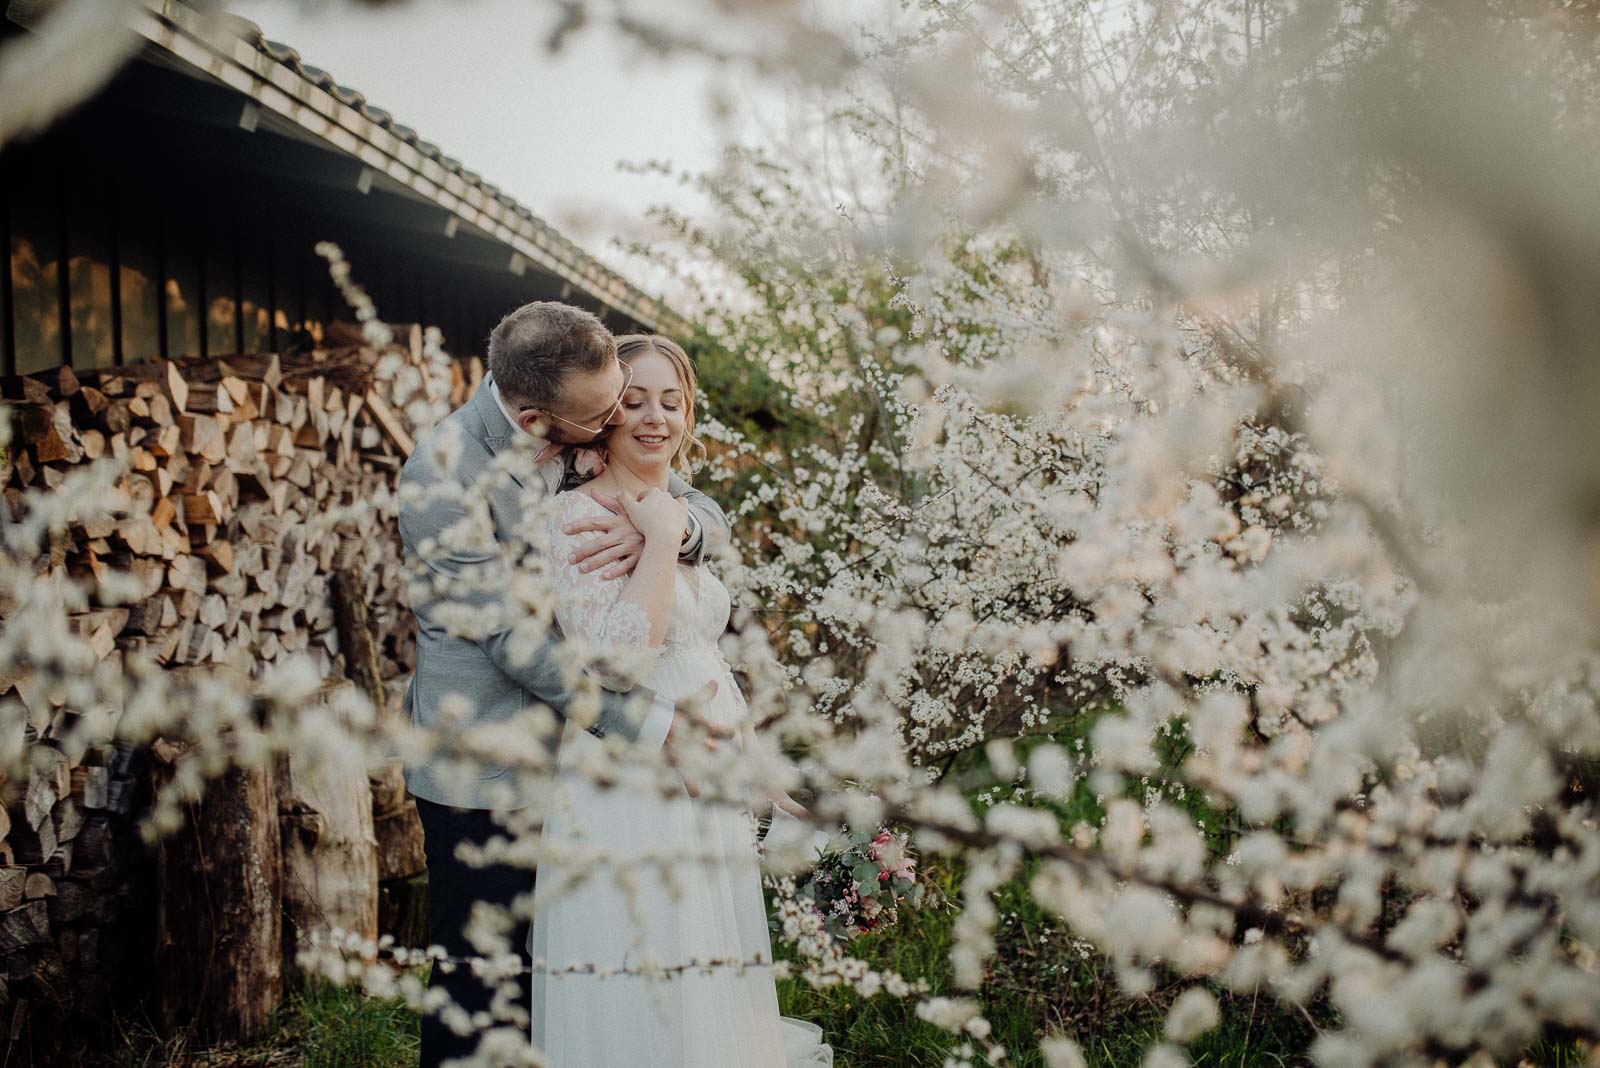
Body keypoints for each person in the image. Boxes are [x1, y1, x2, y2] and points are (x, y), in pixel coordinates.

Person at [397, 303, 732, 1068]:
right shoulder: (440, 477)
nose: (623, 418)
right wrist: (652, 725)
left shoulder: (577, 406)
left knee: (565, 986)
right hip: (488, 767)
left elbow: (688, 494)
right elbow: (515, 644)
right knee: (482, 988)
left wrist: (675, 530)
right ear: (534, 417)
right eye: (605, 413)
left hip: (581, 772)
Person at [528, 334, 833, 1067]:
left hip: (707, 784)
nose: (653, 417)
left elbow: (704, 659)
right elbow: (624, 662)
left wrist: (761, 766)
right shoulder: (577, 520)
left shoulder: (682, 509)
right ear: (603, 414)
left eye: (671, 401)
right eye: (633, 402)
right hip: (630, 784)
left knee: (707, 981)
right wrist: (660, 543)